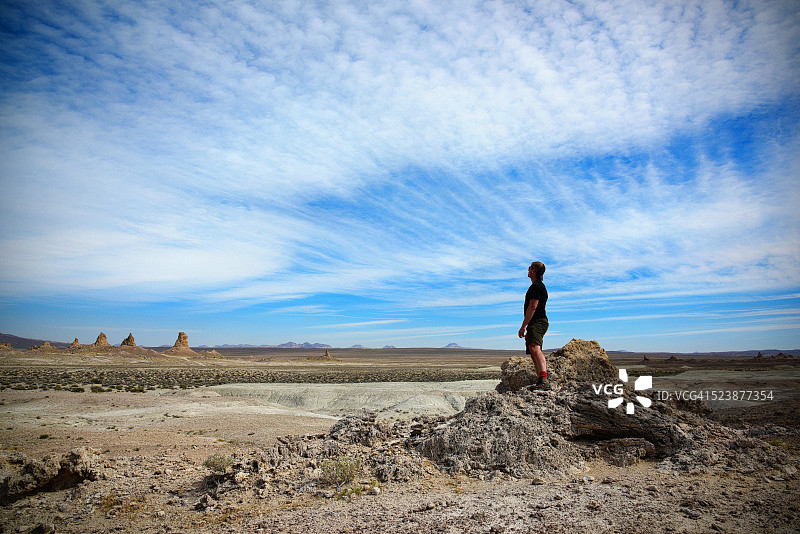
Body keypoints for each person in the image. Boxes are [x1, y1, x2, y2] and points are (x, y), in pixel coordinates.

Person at [518, 261, 549, 390]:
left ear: (534, 271)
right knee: (532, 349)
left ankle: (544, 380)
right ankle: (540, 380)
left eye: (529, 268)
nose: (528, 270)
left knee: (535, 348)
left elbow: (533, 306)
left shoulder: (537, 286)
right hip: (535, 322)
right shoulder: (536, 286)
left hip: (538, 321)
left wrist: (523, 325)